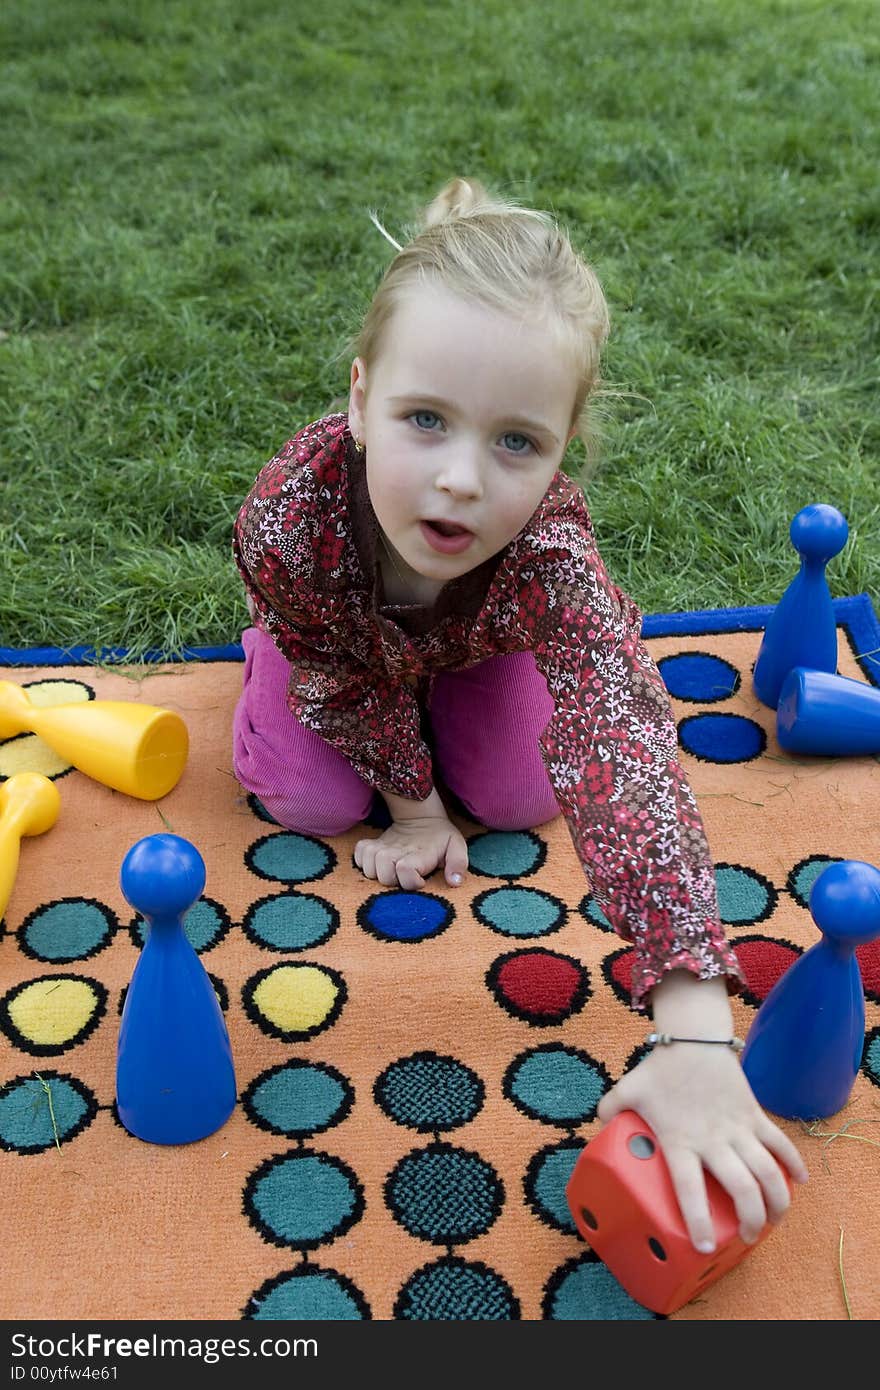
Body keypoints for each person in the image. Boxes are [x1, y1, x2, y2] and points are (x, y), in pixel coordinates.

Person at [232, 176, 808, 1257]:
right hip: (337, 645)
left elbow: (622, 735)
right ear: (358, 401)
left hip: (468, 644)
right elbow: (349, 688)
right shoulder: (287, 520)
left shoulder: (548, 551)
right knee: (312, 798)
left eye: (514, 443)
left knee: (515, 794)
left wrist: (692, 1025)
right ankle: (278, 669)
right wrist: (409, 807)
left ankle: (448, 690)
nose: (457, 481)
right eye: (423, 420)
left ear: (559, 449)